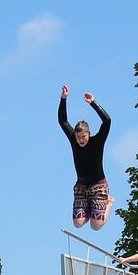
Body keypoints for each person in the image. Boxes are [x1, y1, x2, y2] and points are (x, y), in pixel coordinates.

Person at [58, 85, 113, 230]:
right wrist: (64, 98)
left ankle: (109, 203)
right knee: (78, 224)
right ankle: (90, 208)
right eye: (78, 137)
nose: (80, 140)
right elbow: (63, 121)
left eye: (83, 137)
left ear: (88, 134)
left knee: (96, 226)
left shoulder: (98, 141)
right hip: (82, 185)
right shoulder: (74, 140)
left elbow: (107, 121)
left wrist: (93, 103)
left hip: (98, 186)